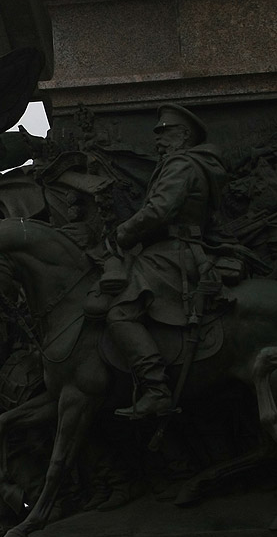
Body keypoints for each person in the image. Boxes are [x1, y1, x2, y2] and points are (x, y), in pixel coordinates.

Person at [88, 103, 228, 418]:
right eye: (157, 134)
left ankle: (156, 389)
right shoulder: (189, 164)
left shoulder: (182, 165)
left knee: (120, 313)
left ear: (185, 135)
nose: (158, 140)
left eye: (165, 133)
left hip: (174, 252)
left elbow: (160, 211)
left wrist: (121, 234)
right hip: (174, 248)